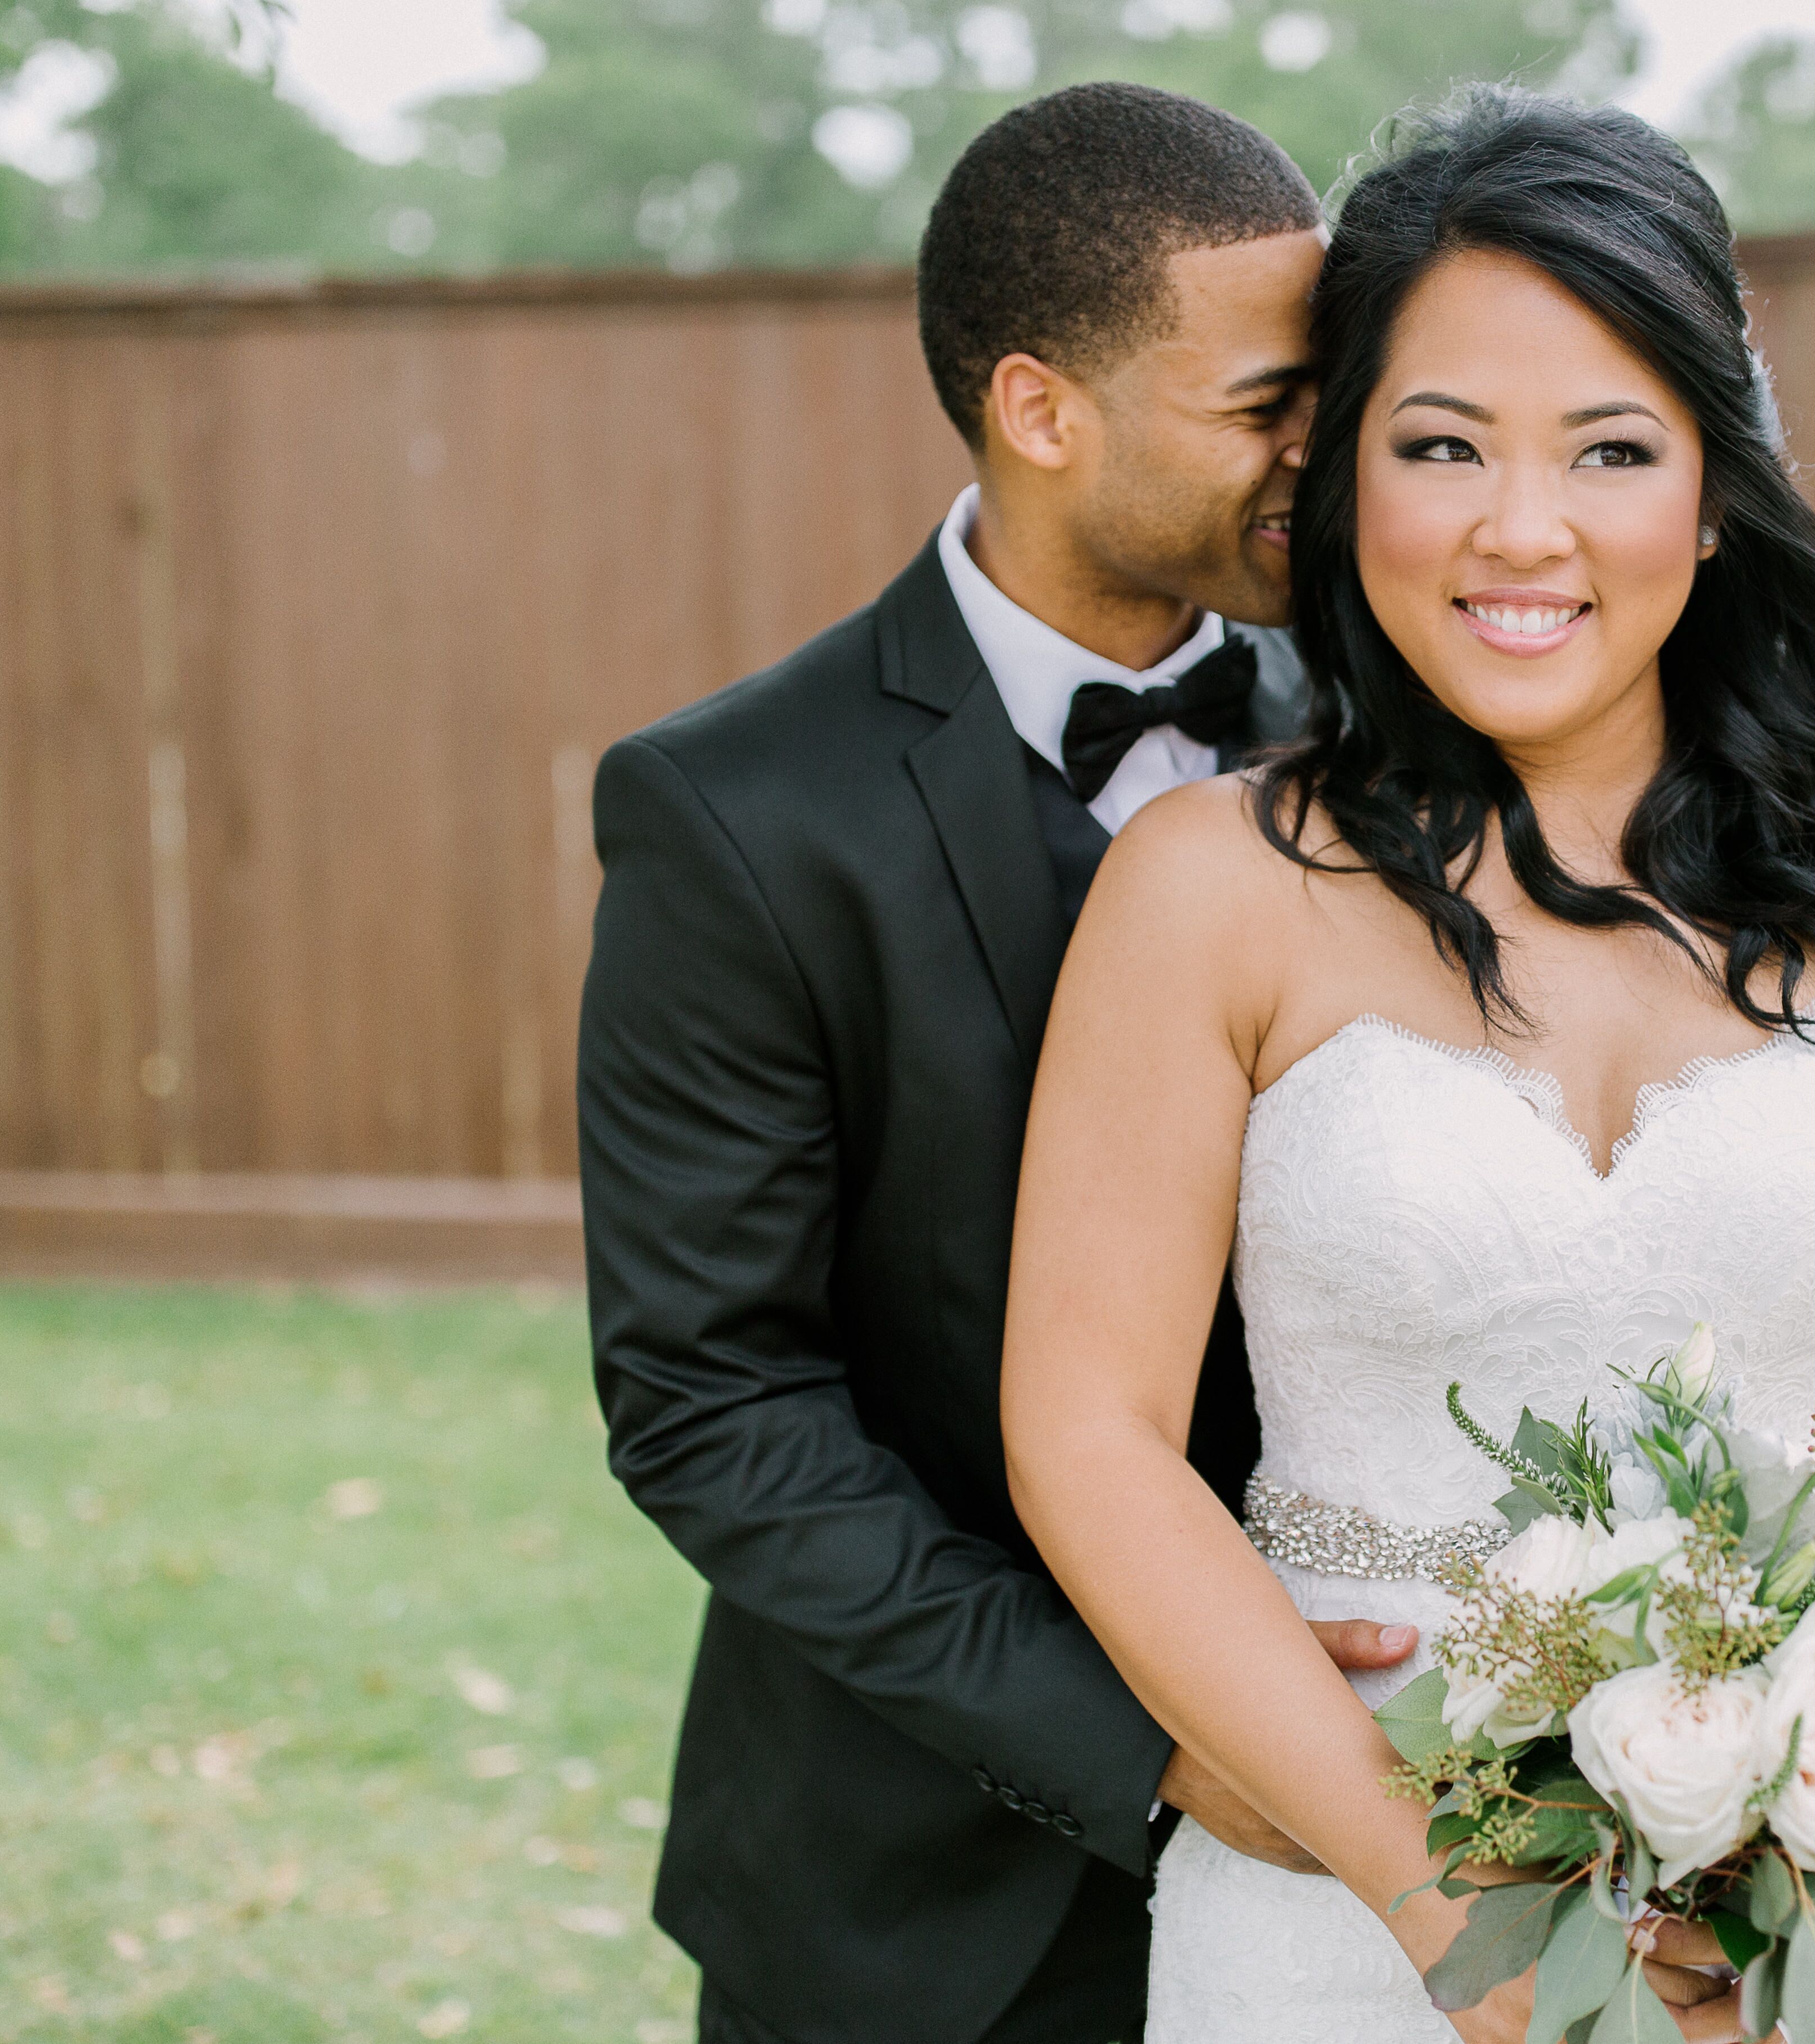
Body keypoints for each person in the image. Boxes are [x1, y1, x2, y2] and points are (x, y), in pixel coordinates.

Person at [1000, 90, 1815, 2043]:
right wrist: (1454, 1921)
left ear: (1712, 484)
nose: (1525, 531)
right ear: (1348, 482)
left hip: (1794, 1917)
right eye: (1444, 448)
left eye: (1612, 449)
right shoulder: (1208, 888)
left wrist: (1799, 1810)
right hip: (1343, 1886)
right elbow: (1087, 1424)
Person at [578, 84, 1430, 2044]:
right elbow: (713, 1401)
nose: (1331, 453)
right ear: (1042, 411)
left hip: (1401, 1850)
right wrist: (1153, 1741)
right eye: (1265, 406)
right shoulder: (734, 815)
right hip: (917, 1906)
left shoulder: (1405, 744)